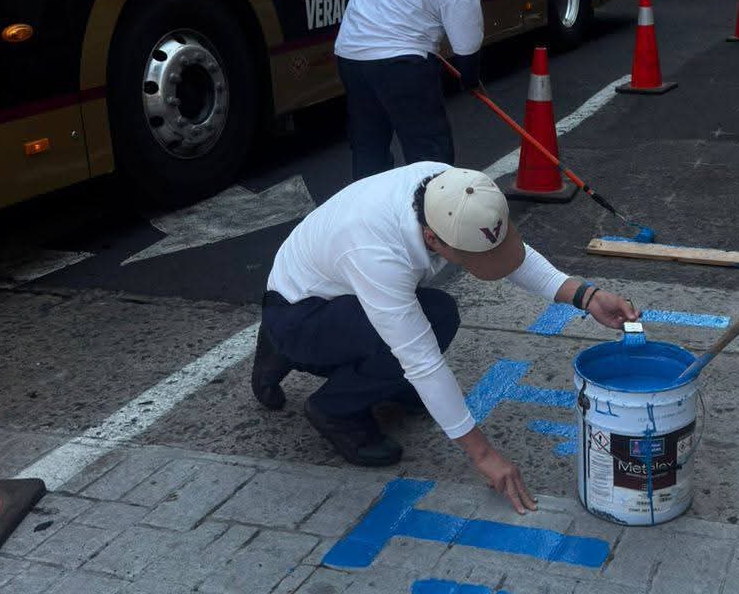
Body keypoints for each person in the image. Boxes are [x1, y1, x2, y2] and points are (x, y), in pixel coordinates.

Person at [251, 163, 638, 512]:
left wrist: (587, 297)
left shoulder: (454, 190)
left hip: (333, 290)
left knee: (433, 316)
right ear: (432, 239)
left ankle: (312, 359)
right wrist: (484, 456)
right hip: (300, 314)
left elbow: (509, 254)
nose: (487, 262)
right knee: (429, 324)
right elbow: (420, 360)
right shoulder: (377, 253)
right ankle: (333, 408)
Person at [320, 0, 519, 181]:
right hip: (402, 63)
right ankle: (431, 210)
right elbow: (467, 51)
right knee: (431, 157)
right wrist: (471, 80)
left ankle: (373, 208)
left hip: (352, 53)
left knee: (369, 150)